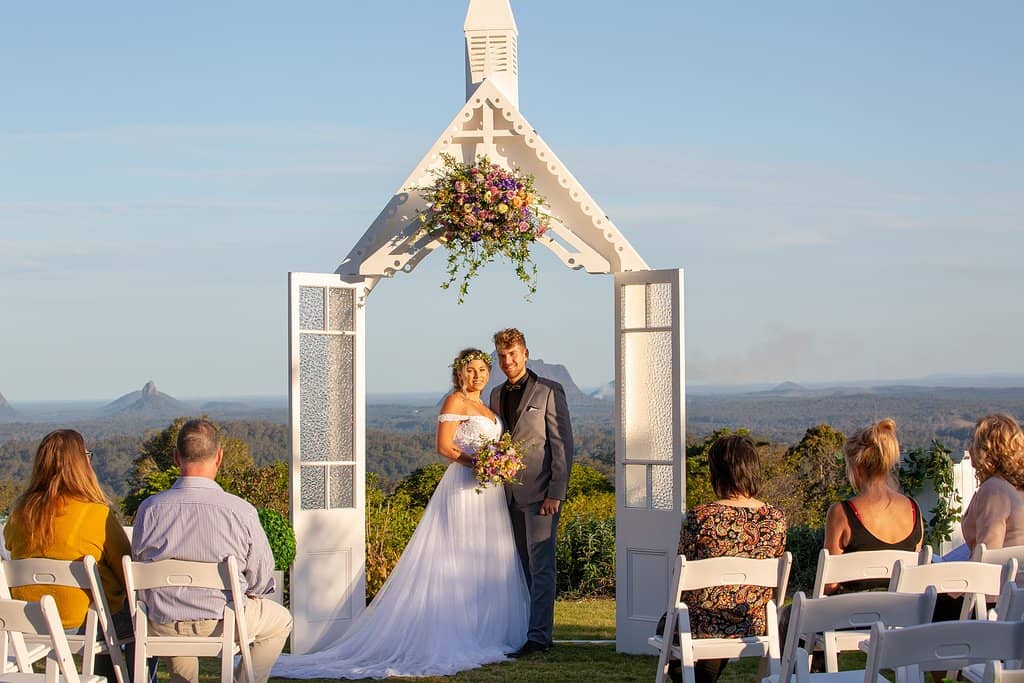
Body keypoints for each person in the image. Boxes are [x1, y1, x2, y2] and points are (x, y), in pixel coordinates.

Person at [271, 348, 528, 679]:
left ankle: (486, 630)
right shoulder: (455, 401)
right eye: (470, 369)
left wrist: (497, 464)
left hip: (488, 492)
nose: (476, 375)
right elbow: (445, 447)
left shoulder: (487, 404)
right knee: (457, 558)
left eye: (481, 369)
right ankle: (457, 632)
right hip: (464, 486)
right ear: (459, 373)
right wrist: (478, 463)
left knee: (486, 558)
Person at [132, 419, 292, 683]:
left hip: (163, 624)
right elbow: (261, 580)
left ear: (175, 457)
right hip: (222, 621)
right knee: (282, 621)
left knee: (171, 607)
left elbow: (140, 567)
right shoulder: (240, 511)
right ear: (219, 457)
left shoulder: (149, 510)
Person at [4, 429, 134, 680]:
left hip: (28, 620)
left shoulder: (21, 513)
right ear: (81, 465)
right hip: (81, 622)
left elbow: (11, 547)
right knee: (141, 619)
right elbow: (126, 571)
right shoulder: (97, 514)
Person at [661, 434, 787, 683]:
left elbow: (681, 575)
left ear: (718, 473)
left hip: (701, 626)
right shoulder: (775, 519)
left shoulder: (702, 517)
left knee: (668, 626)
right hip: (755, 623)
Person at [489, 327, 574, 658]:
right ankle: (525, 631)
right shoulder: (496, 394)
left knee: (541, 568)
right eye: (502, 356)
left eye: (513, 354)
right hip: (506, 496)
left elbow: (562, 446)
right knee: (520, 567)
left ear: (525, 353)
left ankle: (540, 637)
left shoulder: (550, 391)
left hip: (542, 495)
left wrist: (557, 492)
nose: (507, 360)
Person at [823, 418, 923, 593]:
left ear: (857, 468)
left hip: (851, 616)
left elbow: (829, 584)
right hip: (902, 615)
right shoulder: (914, 510)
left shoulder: (842, 513)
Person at [961, 413, 1024, 551]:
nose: (970, 448)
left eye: (974, 442)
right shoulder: (1016, 486)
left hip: (1006, 571)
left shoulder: (994, 490)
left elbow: (988, 553)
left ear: (987, 450)